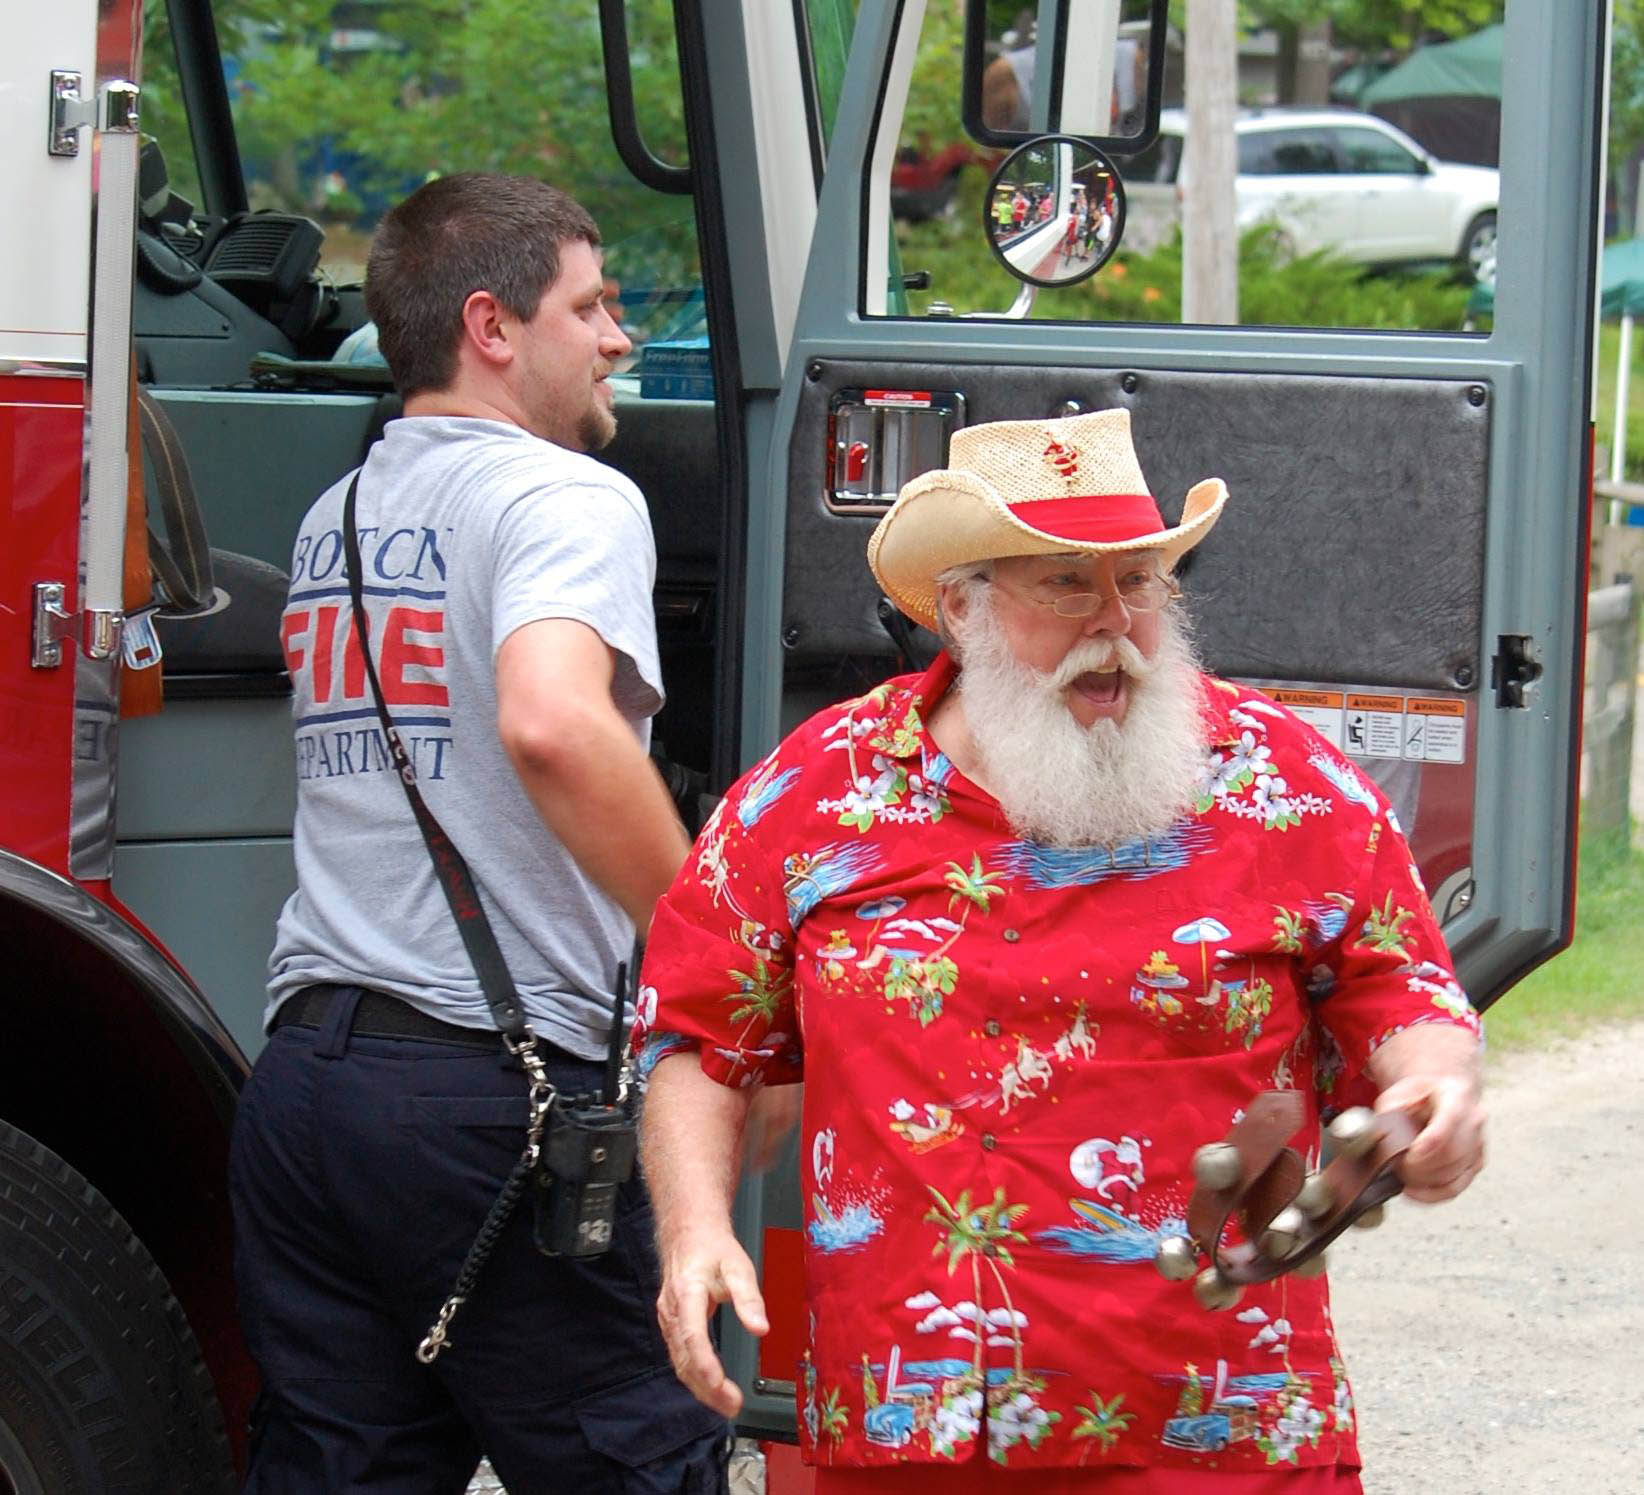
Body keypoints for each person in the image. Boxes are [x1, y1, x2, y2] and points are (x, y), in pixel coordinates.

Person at [633, 409, 1485, 1491]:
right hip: (921, 1423)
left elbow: (1404, 992)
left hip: (1222, 1428)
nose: (1118, 623)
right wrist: (696, 1228)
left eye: (1142, 582)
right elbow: (702, 1029)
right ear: (962, 606)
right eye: (1067, 585)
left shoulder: (1282, 779)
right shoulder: (825, 788)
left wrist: (1436, 1099)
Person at [230, 172, 729, 1493]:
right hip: (484, 1101)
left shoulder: (335, 516)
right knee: (642, 1457)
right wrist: (717, 944)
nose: (619, 335)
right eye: (594, 302)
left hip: (305, 1094)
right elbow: (557, 724)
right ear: (493, 327)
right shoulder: (566, 497)